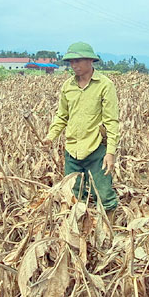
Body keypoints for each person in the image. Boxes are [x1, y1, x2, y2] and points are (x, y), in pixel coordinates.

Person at [42, 41, 120, 214]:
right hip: (72, 150)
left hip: (96, 149)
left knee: (105, 195)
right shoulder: (67, 87)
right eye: (71, 62)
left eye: (78, 61)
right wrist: (50, 137)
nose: (74, 65)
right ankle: (80, 231)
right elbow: (62, 116)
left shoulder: (105, 85)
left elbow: (111, 121)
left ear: (90, 60)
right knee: (74, 195)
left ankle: (109, 231)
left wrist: (110, 152)